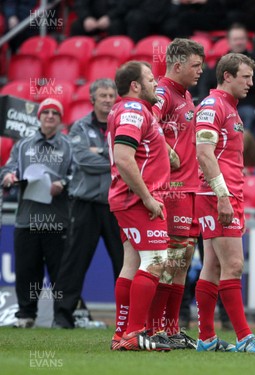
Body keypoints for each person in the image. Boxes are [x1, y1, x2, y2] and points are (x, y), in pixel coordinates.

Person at [194, 53, 255, 353]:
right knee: (234, 265)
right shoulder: (213, 106)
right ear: (227, 76)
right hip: (218, 195)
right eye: (245, 77)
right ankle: (244, 337)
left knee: (212, 266)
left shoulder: (229, 108)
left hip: (223, 194)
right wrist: (223, 195)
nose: (251, 84)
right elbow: (204, 153)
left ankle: (206, 338)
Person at [145, 38, 205, 349]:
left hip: (190, 188)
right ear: (178, 64)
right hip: (171, 190)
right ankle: (153, 329)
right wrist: (166, 148)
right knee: (167, 262)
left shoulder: (186, 94)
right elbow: (148, 123)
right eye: (196, 65)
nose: (200, 70)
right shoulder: (163, 92)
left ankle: (171, 327)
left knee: (181, 262)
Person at [108, 61, 171, 351]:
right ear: (135, 85)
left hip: (128, 197)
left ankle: (122, 333)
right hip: (138, 199)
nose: (155, 82)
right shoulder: (133, 110)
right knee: (156, 261)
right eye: (149, 78)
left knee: (132, 263)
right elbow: (123, 157)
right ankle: (135, 333)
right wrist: (147, 197)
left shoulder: (130, 111)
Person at [52, 79, 124, 329]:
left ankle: (128, 318)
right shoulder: (79, 127)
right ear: (92, 99)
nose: (107, 99)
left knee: (125, 262)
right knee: (74, 261)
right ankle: (62, 316)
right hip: (86, 205)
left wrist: (100, 152)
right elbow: (83, 161)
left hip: (118, 205)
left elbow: (132, 156)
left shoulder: (123, 123)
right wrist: (116, 160)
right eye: (102, 95)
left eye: (111, 95)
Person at [1, 99, 73, 328]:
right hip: (27, 220)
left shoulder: (69, 145)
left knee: (60, 272)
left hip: (57, 220)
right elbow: (10, 167)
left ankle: (61, 317)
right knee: (26, 270)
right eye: (46, 112)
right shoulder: (23, 145)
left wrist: (63, 183)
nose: (50, 116)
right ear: (39, 117)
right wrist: (9, 177)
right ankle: (26, 315)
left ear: (61, 119)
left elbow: (78, 175)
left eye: (55, 113)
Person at [195, 23, 255, 125]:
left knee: (247, 113)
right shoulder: (221, 61)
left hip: (247, 104)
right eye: (236, 39)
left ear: (247, 40)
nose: (239, 42)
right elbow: (209, 81)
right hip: (223, 103)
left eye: (242, 39)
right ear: (229, 41)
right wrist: (203, 102)